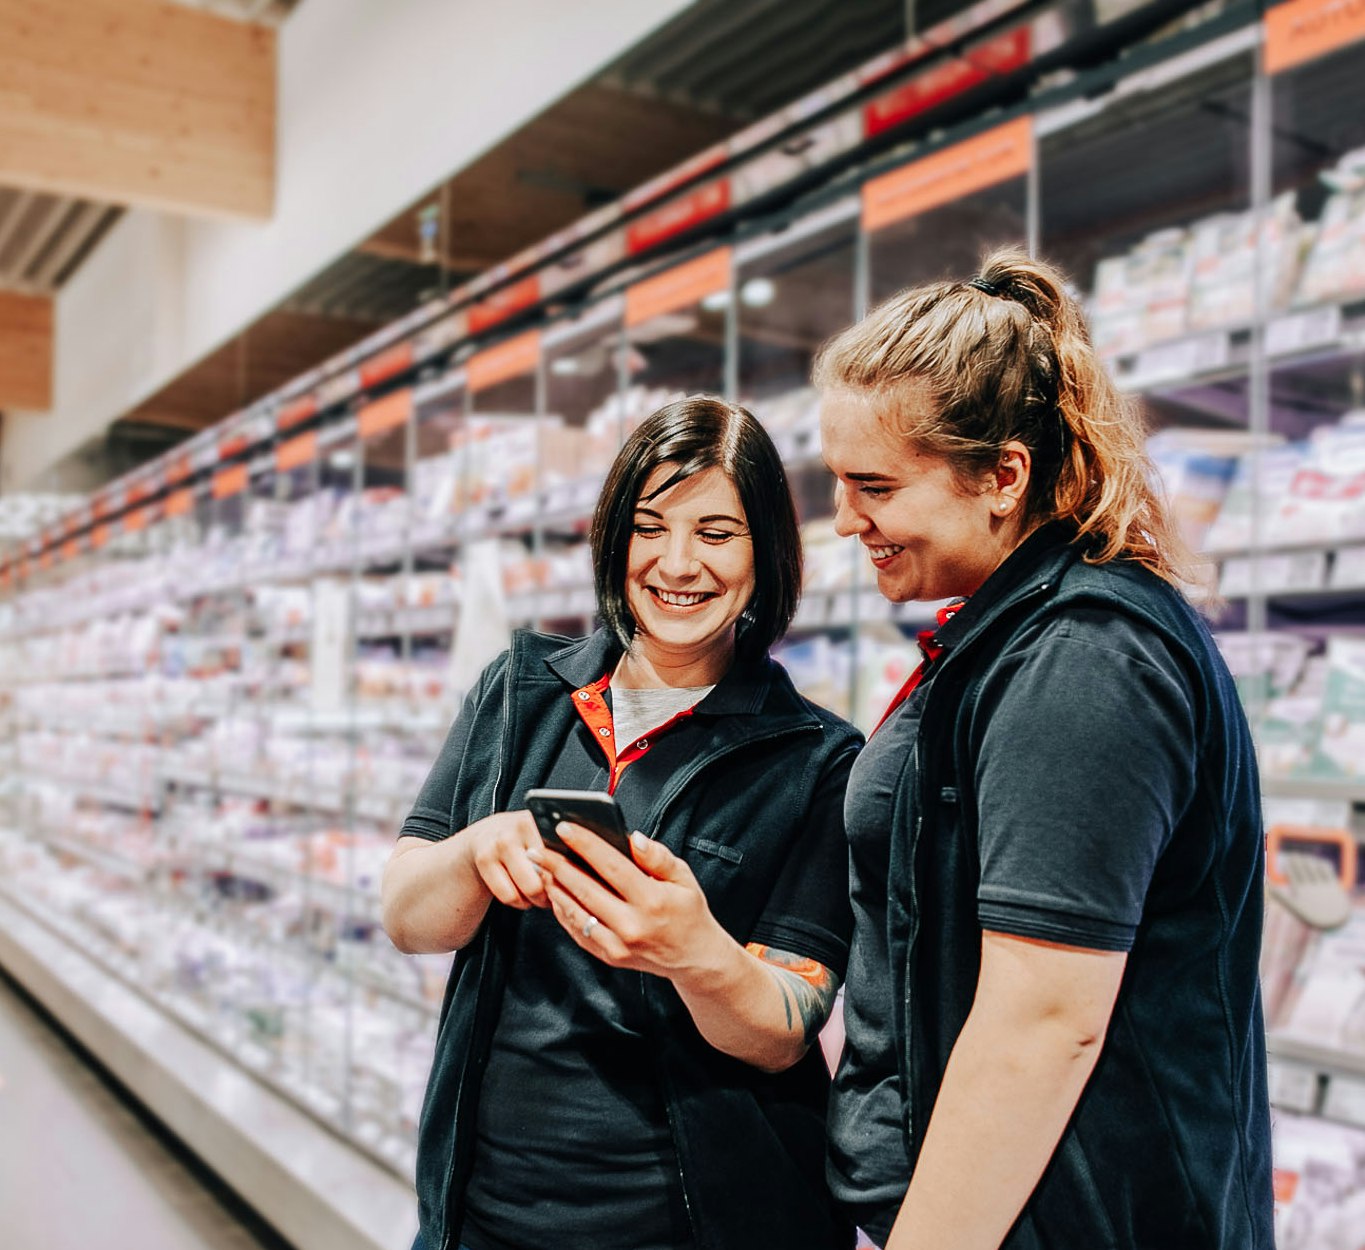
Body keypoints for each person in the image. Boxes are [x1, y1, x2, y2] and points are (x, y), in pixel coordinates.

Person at [814, 247, 1274, 1250]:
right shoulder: (1009, 629)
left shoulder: (1084, 658)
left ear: (1001, 477)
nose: (846, 518)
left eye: (873, 484)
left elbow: (1043, 1022)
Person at [381, 396, 861, 1250]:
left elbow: (786, 1029)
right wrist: (476, 850)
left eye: (717, 532)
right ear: (614, 538)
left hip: (686, 1225)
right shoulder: (521, 690)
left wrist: (695, 954)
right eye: (650, 526)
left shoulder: (815, 760)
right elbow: (408, 918)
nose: (678, 562)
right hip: (481, 1212)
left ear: (765, 554)